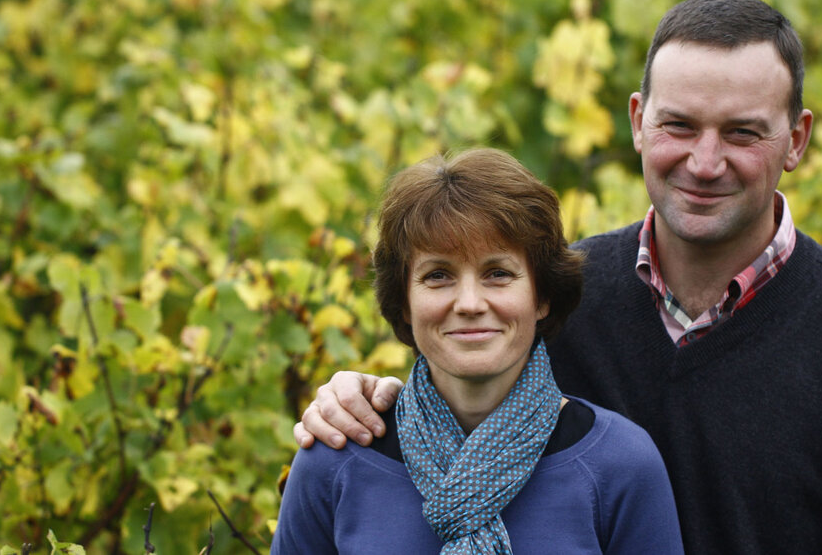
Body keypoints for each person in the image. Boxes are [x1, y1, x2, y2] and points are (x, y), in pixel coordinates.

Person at [293, 0, 822, 554]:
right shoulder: (557, 298)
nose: (704, 160)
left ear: (798, 139)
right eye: (680, 125)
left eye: (743, 134)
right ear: (639, 122)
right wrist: (362, 395)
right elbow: (451, 394)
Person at [272, 148, 684, 553]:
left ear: (541, 297)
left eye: (498, 274)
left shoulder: (621, 465)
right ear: (404, 303)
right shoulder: (336, 459)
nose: (469, 303)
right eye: (438, 275)